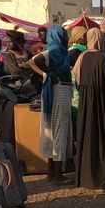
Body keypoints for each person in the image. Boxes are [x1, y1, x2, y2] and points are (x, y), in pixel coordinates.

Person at [74, 28, 105, 191]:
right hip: (101, 103)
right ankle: (104, 178)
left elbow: (77, 79)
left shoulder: (82, 57)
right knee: (103, 137)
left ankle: (86, 178)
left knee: (87, 137)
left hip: (86, 104)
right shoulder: (103, 58)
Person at [29, 26, 74, 182]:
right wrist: (50, 73)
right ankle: (57, 175)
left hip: (55, 91)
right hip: (59, 92)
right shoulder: (55, 49)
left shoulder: (54, 49)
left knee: (50, 130)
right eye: (65, 35)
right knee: (59, 130)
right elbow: (36, 60)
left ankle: (51, 172)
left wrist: (46, 74)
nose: (67, 37)